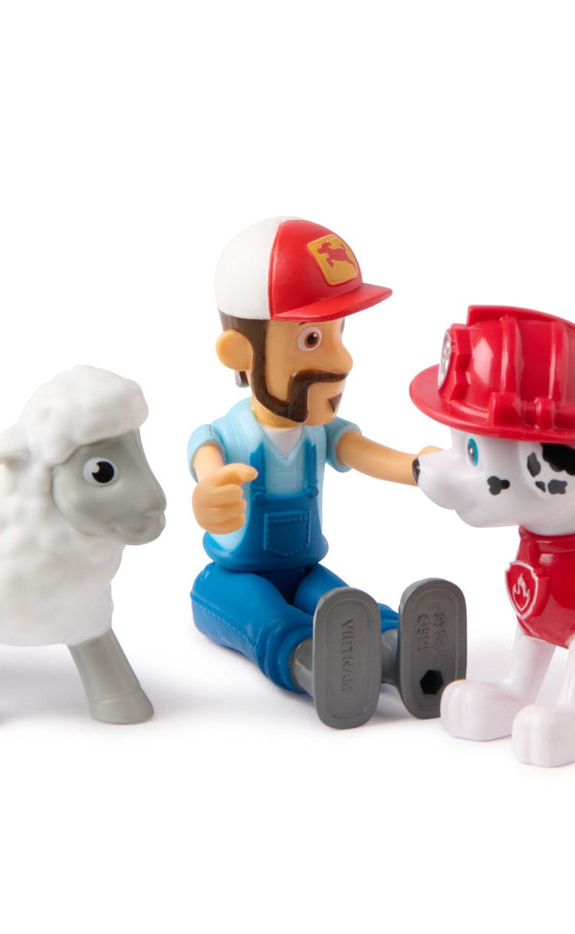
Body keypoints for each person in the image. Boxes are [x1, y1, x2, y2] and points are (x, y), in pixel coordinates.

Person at [187, 217, 464, 728]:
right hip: (231, 577)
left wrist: (419, 468)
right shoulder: (226, 436)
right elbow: (207, 465)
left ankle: (400, 649)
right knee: (268, 620)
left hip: (306, 569)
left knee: (342, 602)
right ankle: (314, 667)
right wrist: (209, 495)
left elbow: (364, 452)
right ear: (242, 353)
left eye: (339, 332)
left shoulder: (321, 433)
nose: (343, 359)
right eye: (312, 339)